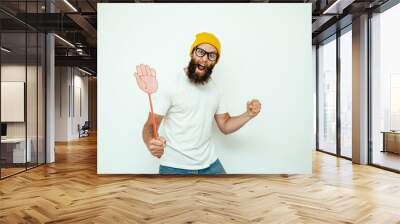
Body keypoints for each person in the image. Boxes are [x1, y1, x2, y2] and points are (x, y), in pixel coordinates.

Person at [140, 32, 261, 174]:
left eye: (211, 55)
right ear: (192, 53)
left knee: (228, 194)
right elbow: (150, 125)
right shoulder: (171, 86)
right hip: (174, 167)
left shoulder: (216, 90)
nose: (204, 59)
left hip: (210, 165)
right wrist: (150, 142)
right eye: (200, 52)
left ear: (215, 61)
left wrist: (248, 114)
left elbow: (225, 125)